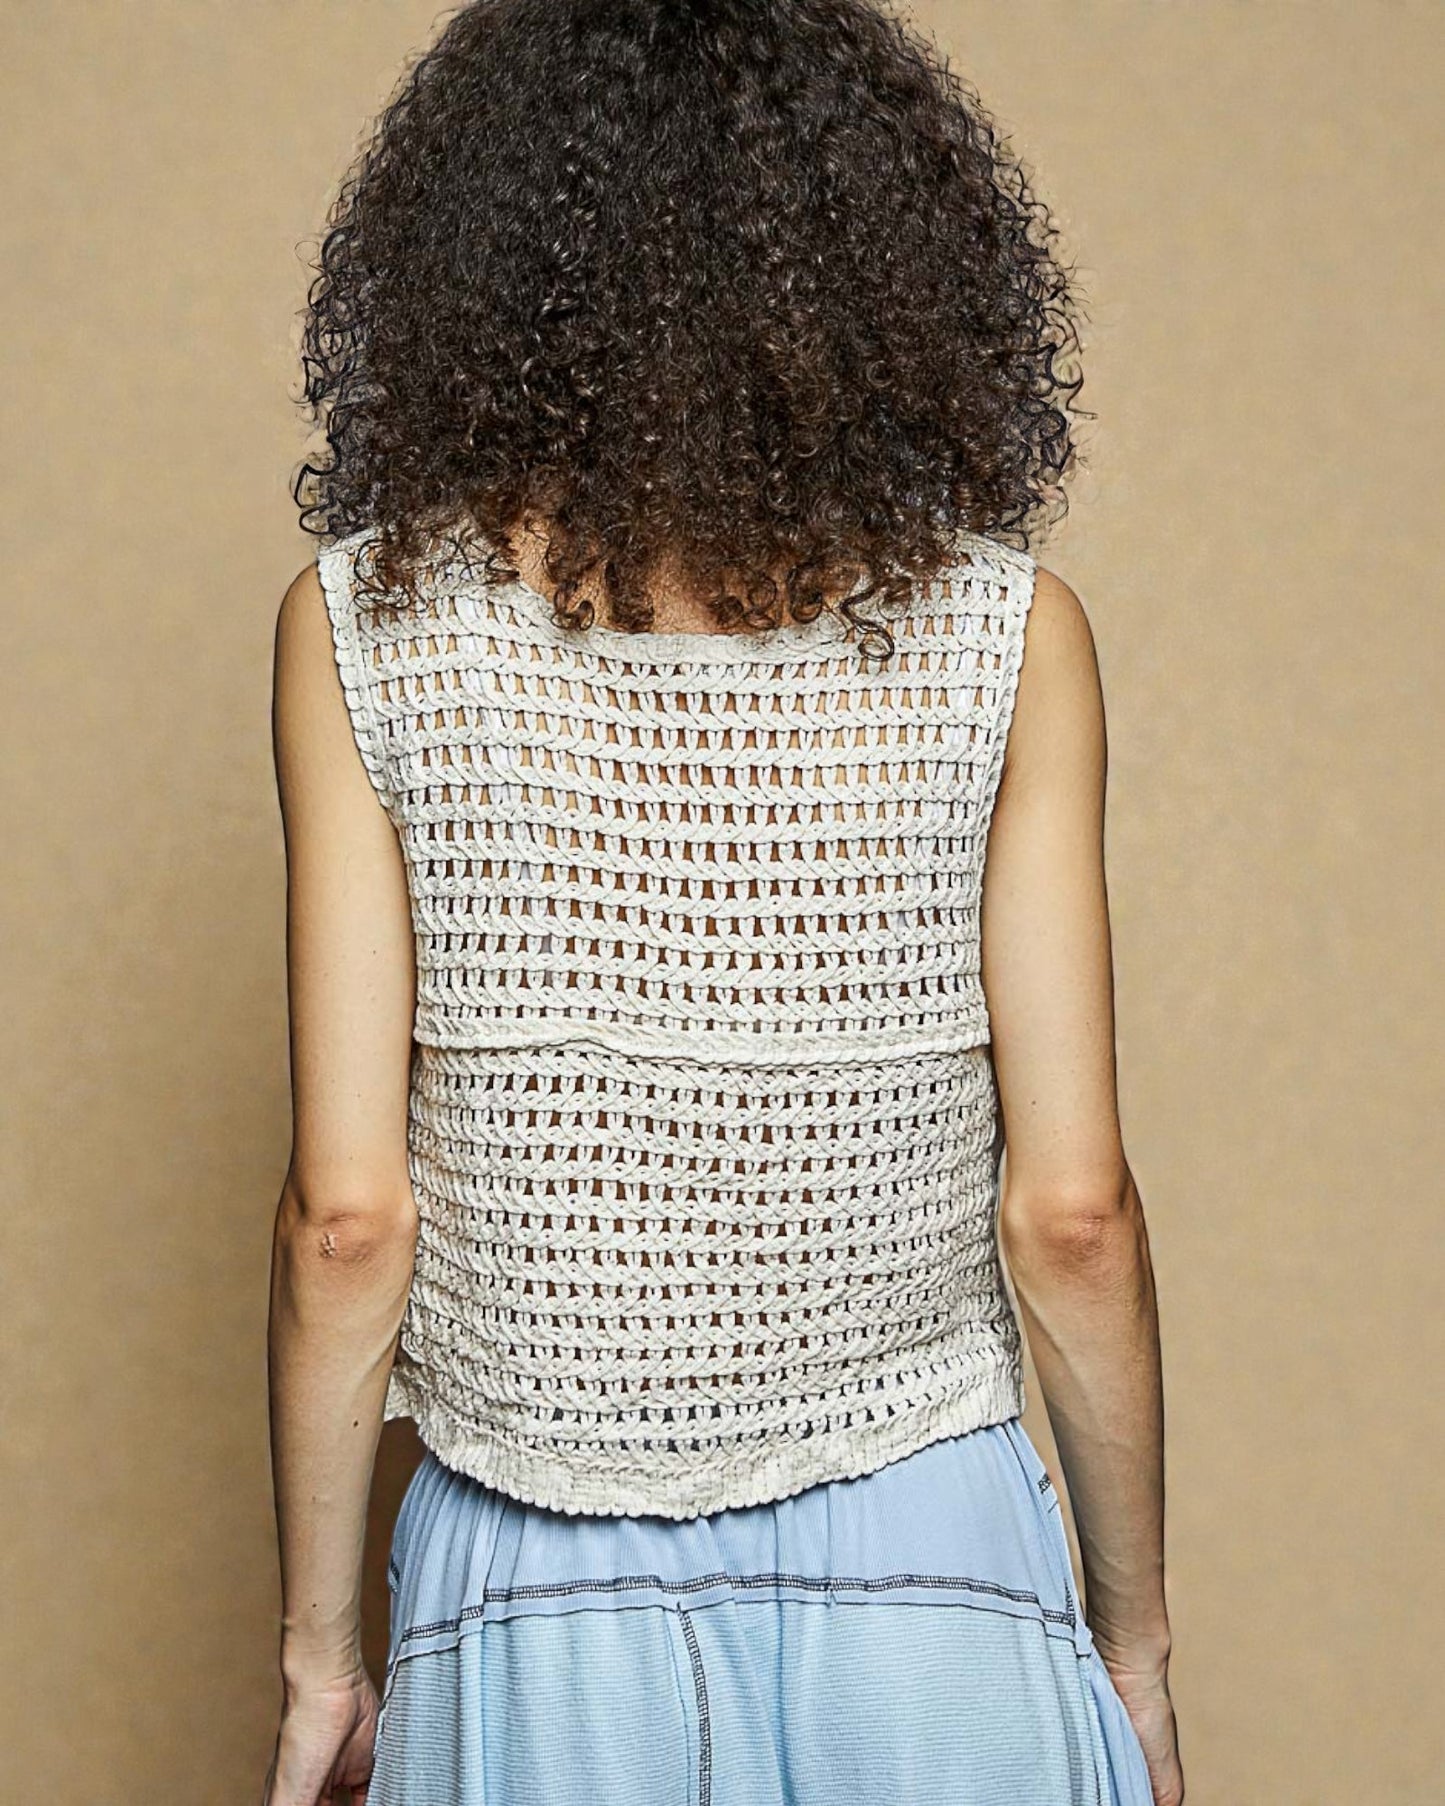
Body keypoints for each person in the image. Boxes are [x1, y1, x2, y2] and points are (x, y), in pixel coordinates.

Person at [263, 2, 1183, 1802]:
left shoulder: (361, 632)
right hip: (943, 1562)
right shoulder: (1010, 638)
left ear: (472, 263)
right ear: (890, 273)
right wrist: (1129, 1640)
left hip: (534, 1576)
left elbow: (348, 1218)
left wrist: (319, 1659)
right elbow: (1071, 1212)